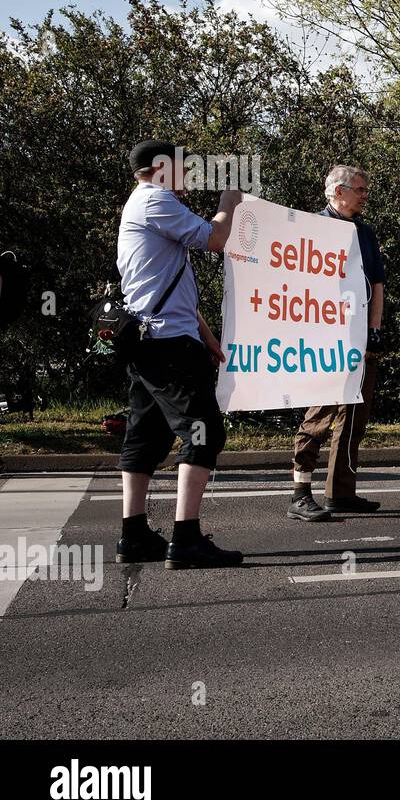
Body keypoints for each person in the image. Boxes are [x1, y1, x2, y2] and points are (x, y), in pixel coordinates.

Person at [116, 140, 243, 569]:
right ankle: (186, 538)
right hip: (169, 347)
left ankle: (133, 535)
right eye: (183, 168)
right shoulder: (155, 202)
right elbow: (216, 238)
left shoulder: (143, 204)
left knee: (146, 435)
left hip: (154, 340)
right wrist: (229, 202)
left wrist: (206, 335)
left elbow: (168, 288)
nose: (189, 176)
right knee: (203, 431)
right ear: (159, 168)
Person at [288, 165, 387, 521]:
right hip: (326, 341)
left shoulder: (365, 233)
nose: (365, 195)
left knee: (354, 418)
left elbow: (377, 284)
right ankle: (299, 493)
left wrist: (374, 330)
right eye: (359, 189)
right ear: (338, 191)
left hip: (361, 338)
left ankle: (341, 494)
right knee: (320, 414)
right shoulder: (312, 230)